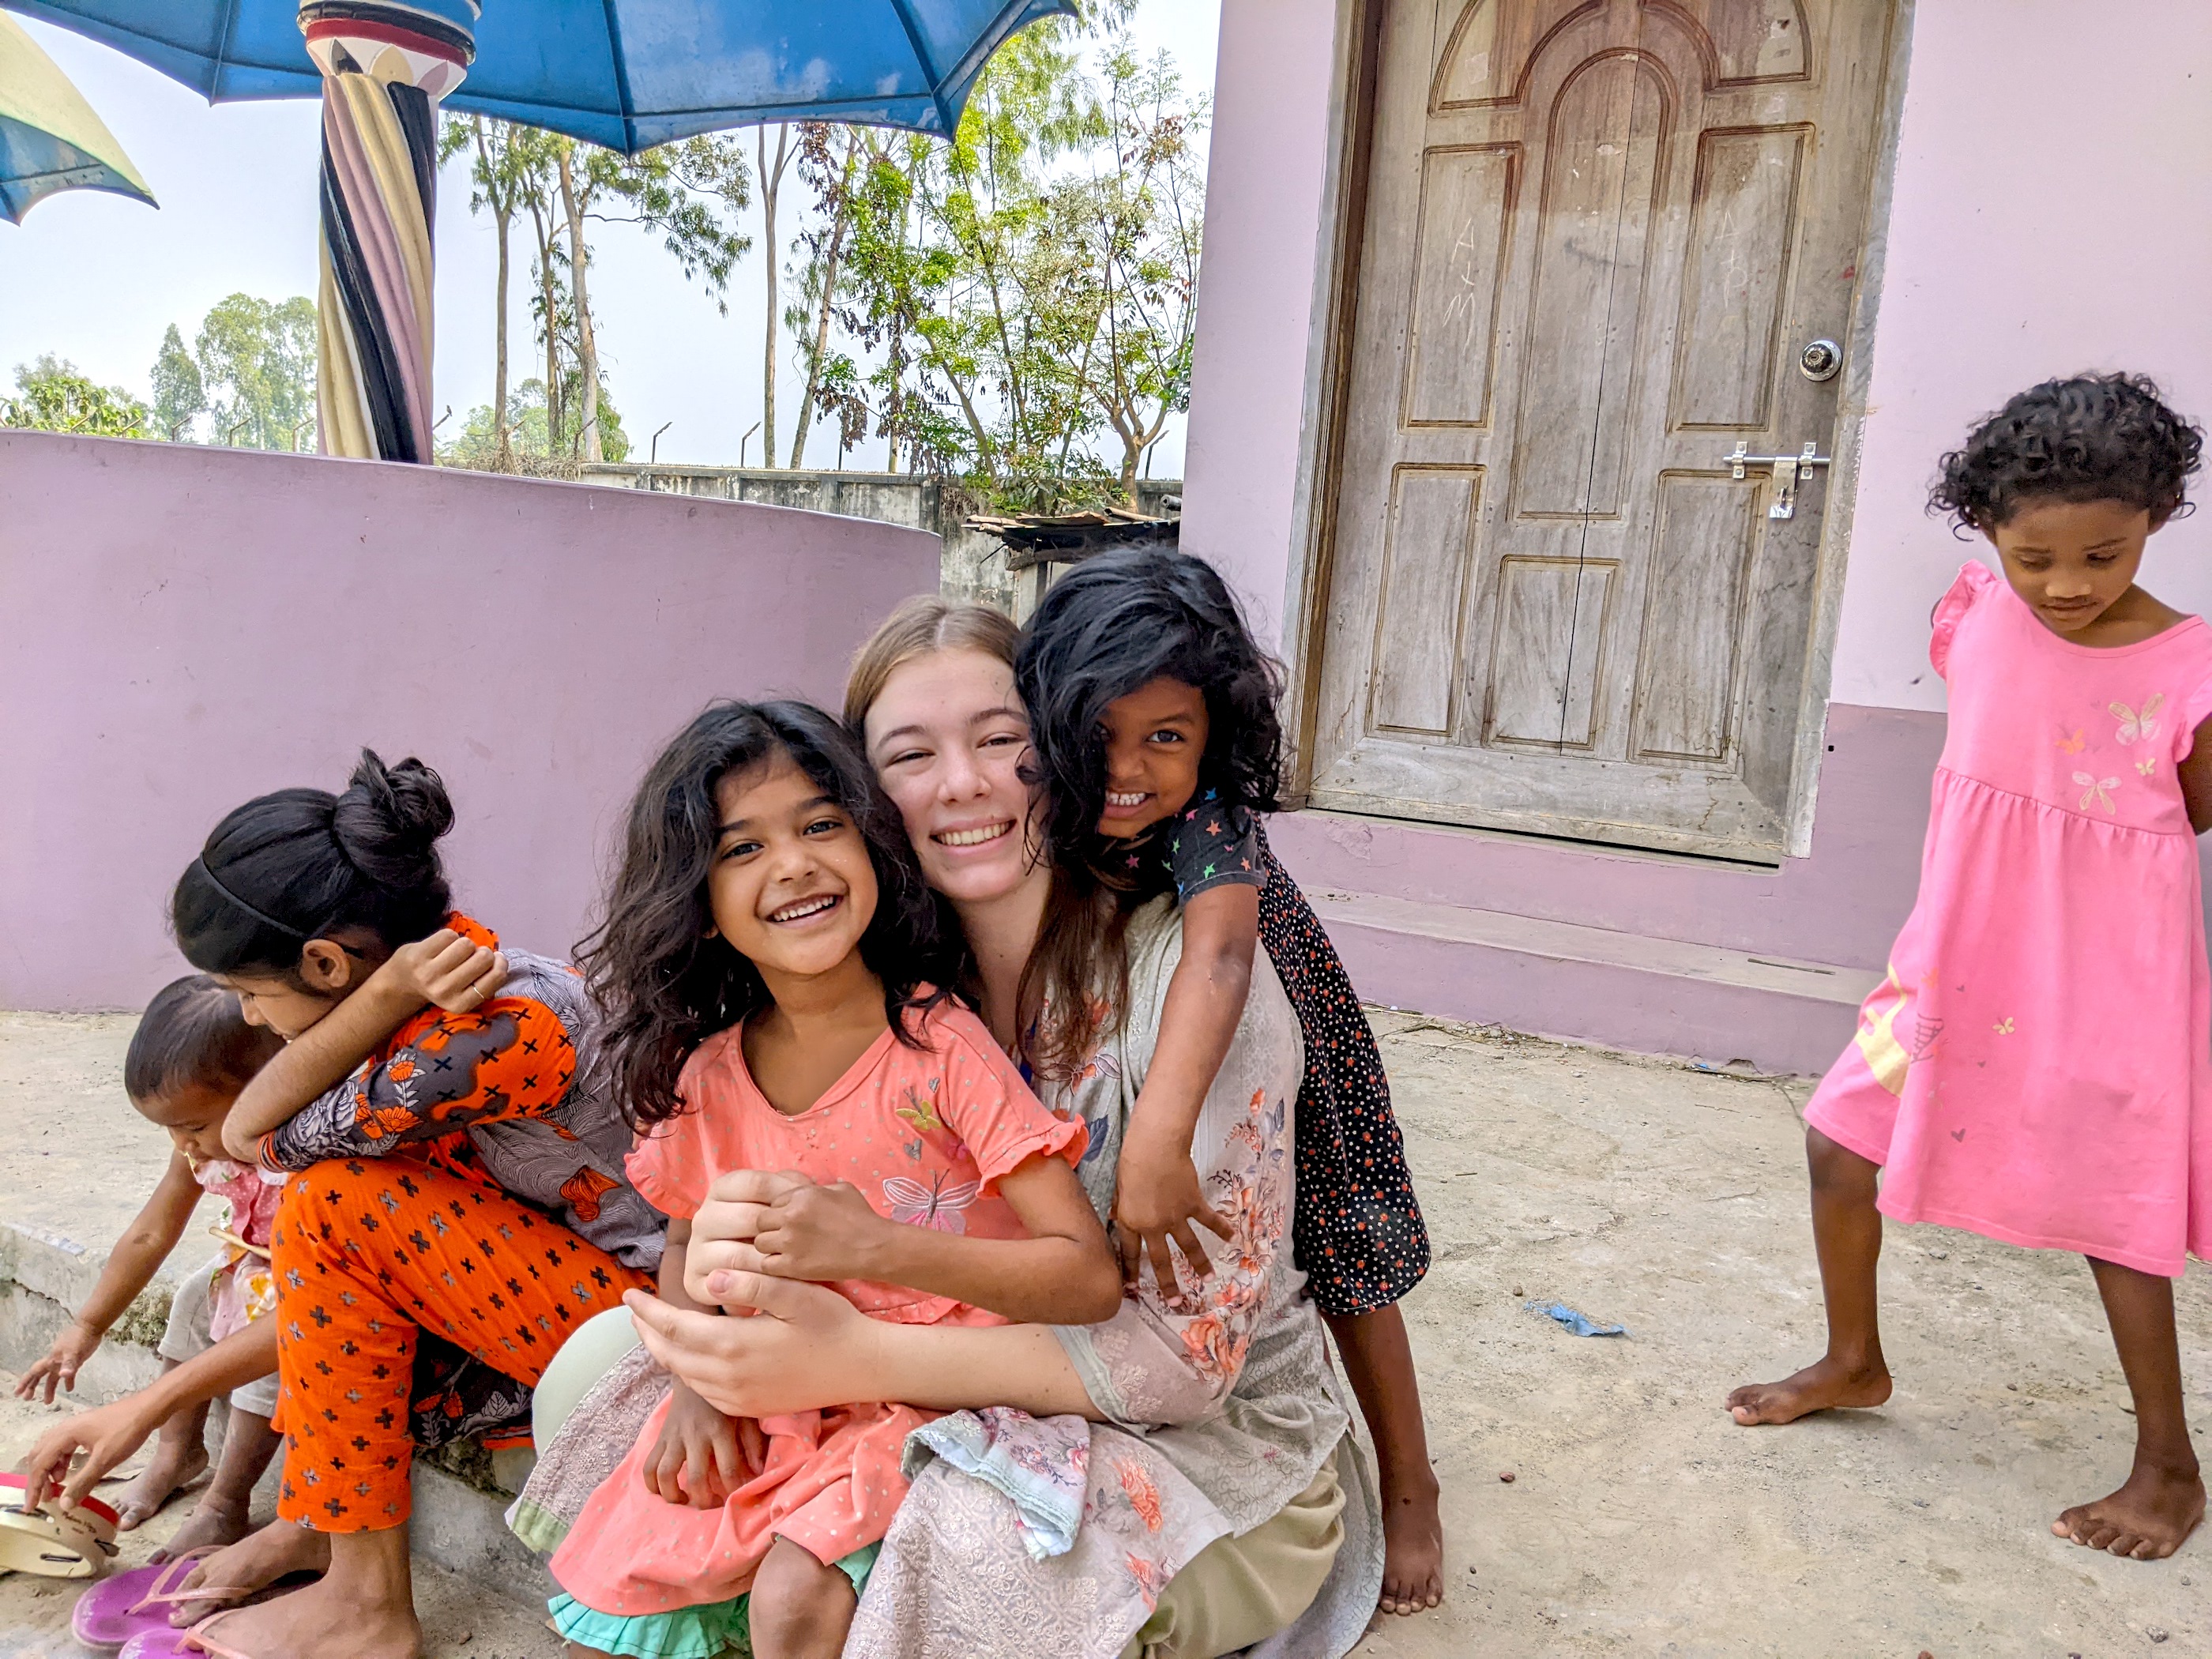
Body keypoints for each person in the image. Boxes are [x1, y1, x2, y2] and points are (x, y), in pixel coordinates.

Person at [585, 599, 1381, 1659]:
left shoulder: (1188, 996)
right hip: (922, 1382)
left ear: (1063, 747)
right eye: (910, 756)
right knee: (602, 1384)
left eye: (1003, 742)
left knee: (966, 1542)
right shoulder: (878, 969)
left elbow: (1183, 1369)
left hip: (1200, 1441)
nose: (962, 784)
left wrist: (855, 1357)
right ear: (866, 797)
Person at [24, 750, 662, 1659]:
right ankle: (316, 1529)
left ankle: (363, 1604)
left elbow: (254, 1135)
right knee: (348, 1214)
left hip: (648, 1334)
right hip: (569, 1300)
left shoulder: (494, 1030)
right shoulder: (432, 1005)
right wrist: (391, 991)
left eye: (250, 994)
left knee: (331, 1203)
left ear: (328, 962)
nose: (247, 1020)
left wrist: (389, 990)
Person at [1727, 373, 2212, 1562]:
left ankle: (2169, 1463)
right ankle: (1856, 1359)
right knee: (1841, 1142)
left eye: (2103, 554)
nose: (2067, 587)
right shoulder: (1975, 618)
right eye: (2033, 556)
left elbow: (2186, 821)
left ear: (2157, 517)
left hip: (2109, 986)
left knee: (2119, 1213)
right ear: (1986, 534)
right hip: (1950, 969)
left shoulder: (2193, 670)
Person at [544, 699, 1119, 1659]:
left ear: (872, 851)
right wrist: (698, 1383)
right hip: (783, 1391)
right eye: (741, 849)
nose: (794, 863)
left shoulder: (940, 1049)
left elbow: (1087, 1277)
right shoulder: (711, 1078)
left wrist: (879, 1249)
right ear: (701, 906)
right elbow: (690, 1239)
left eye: (820, 825)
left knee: (793, 1597)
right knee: (626, 1572)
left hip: (936, 1390)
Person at [1016, 546, 1443, 1615]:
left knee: (1343, 1236)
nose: (1129, 767)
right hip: (1144, 975)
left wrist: (1158, 1139)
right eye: (1099, 733)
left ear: (1215, 735)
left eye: (1167, 736)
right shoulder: (1037, 800)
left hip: (1263, 968)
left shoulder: (1213, 823)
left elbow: (1216, 957)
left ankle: (1409, 1484)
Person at [14, 976, 285, 1560]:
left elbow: (307, 1304)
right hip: (251, 1267)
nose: (183, 1145)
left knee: (270, 1373)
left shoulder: (299, 1154)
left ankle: (226, 1500)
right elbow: (151, 1231)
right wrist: (87, 1327)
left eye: (193, 1126)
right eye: (170, 1129)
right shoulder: (200, 1144)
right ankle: (177, 1452)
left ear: (272, 1089)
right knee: (191, 1301)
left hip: (309, 1295)